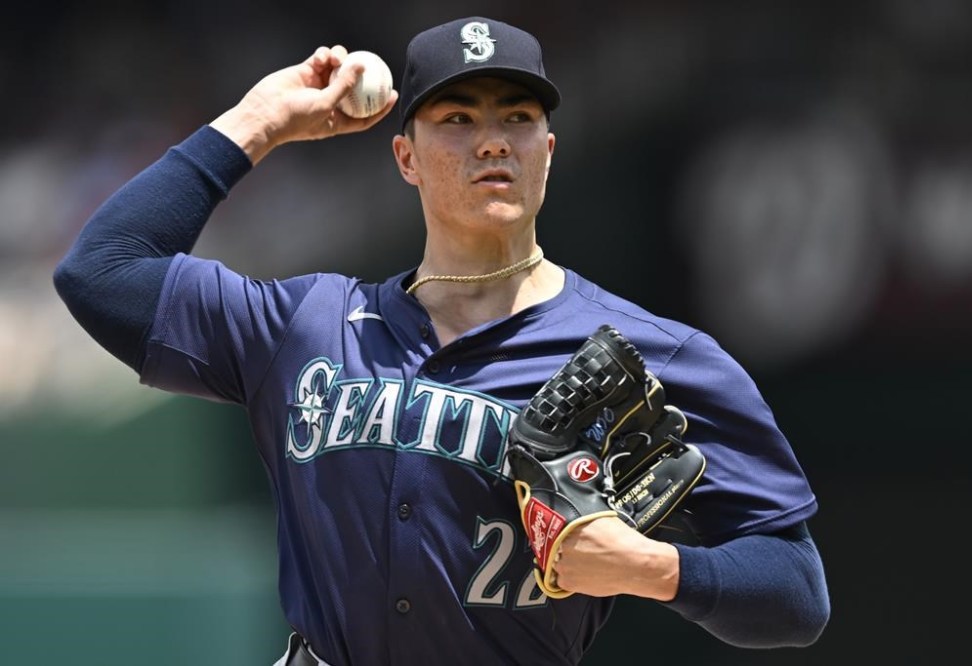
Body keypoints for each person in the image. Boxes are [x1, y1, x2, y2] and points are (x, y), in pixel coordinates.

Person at [54, 15, 830, 666]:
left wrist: (654, 568)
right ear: (406, 158)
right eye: (457, 119)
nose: (491, 141)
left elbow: (796, 590)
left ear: (547, 154)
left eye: (516, 118)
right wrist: (261, 124)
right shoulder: (306, 324)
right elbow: (102, 271)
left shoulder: (652, 353)